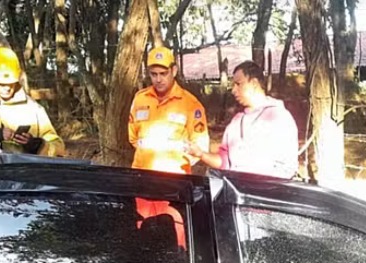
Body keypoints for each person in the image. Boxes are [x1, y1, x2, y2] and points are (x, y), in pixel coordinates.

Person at [185, 61, 299, 179]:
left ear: (254, 83)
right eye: (233, 85)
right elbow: (224, 162)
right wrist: (201, 154)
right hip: (235, 189)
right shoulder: (236, 122)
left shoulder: (279, 118)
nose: (233, 90)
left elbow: (287, 169)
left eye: (238, 84)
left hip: (265, 189)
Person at [128, 46, 210, 174]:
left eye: (163, 73)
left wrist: (175, 165)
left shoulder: (190, 104)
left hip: (174, 178)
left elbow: (200, 144)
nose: (158, 79)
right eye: (154, 74)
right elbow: (133, 137)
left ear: (174, 71)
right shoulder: (140, 99)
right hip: (141, 175)